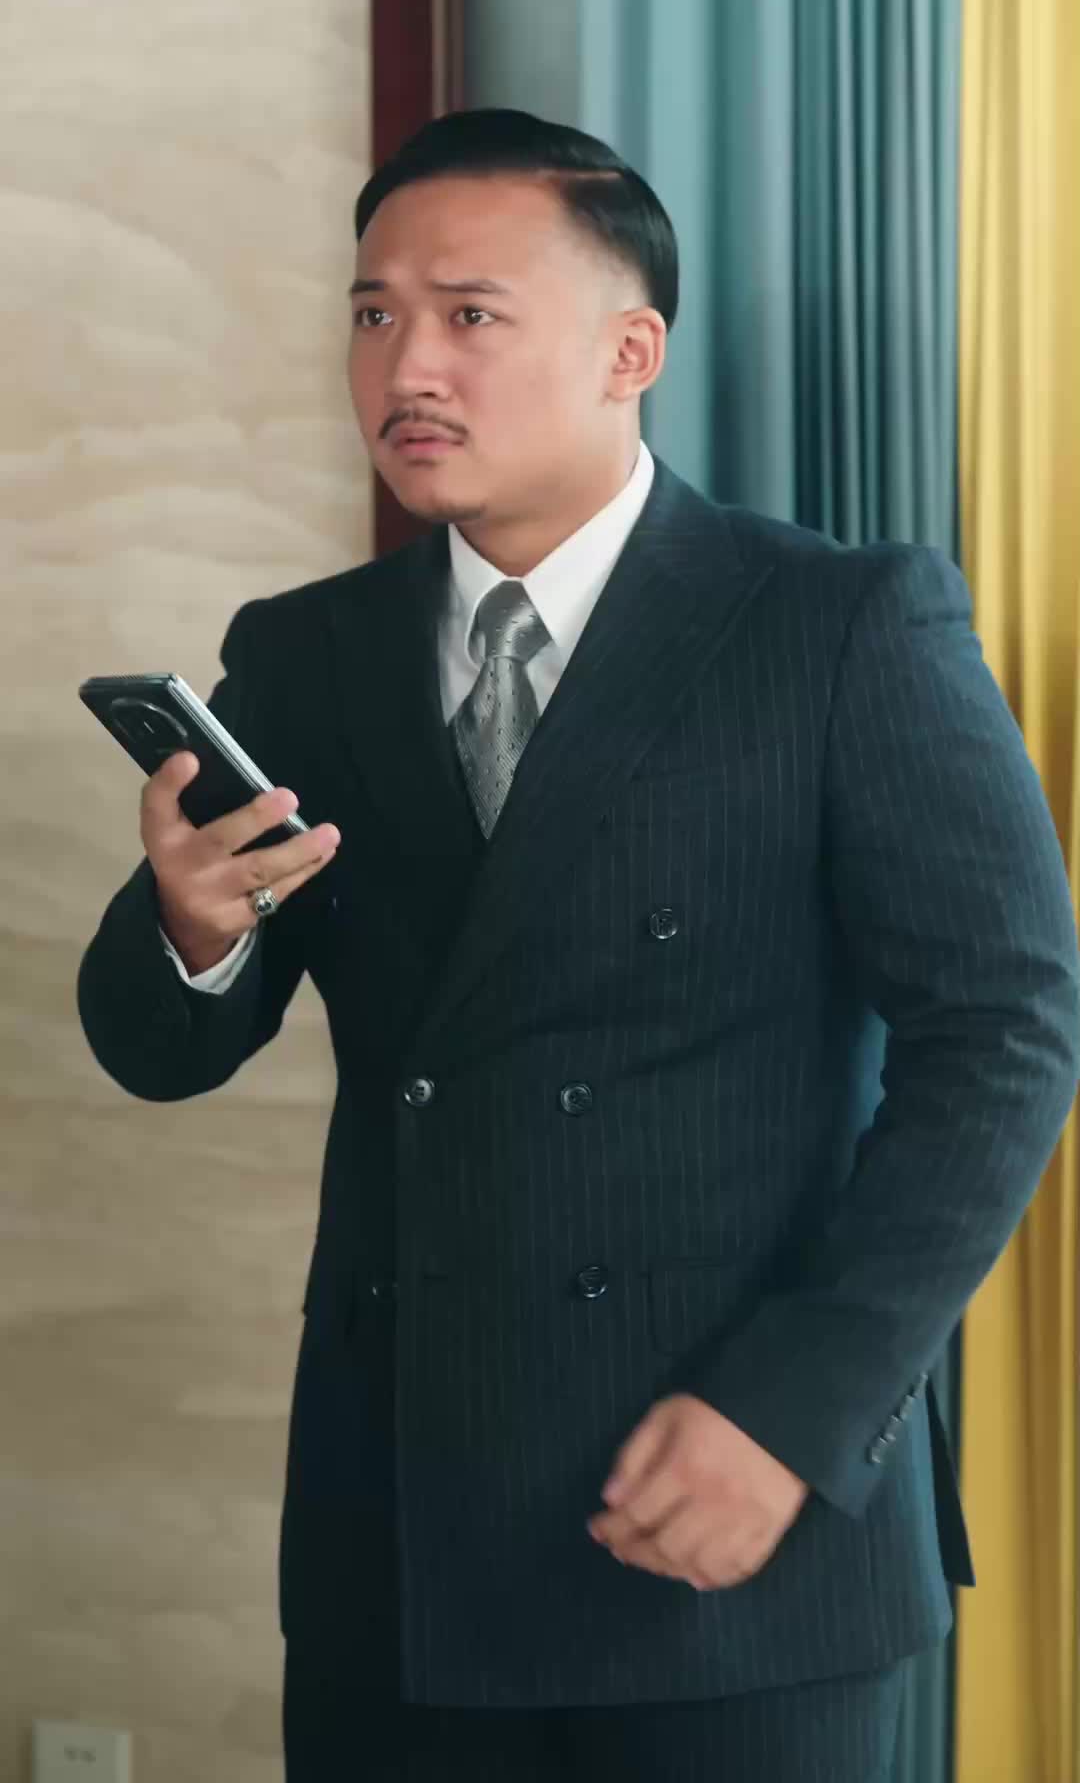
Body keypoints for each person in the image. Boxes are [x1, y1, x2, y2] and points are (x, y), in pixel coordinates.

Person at [78, 109, 1080, 1782]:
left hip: (732, 1511)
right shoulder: (310, 653)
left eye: (471, 313)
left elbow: (1006, 1039)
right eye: (374, 311)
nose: (407, 364)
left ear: (631, 352)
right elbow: (156, 1049)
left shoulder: (836, 623)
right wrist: (190, 924)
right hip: (403, 1526)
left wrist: (797, 1413)